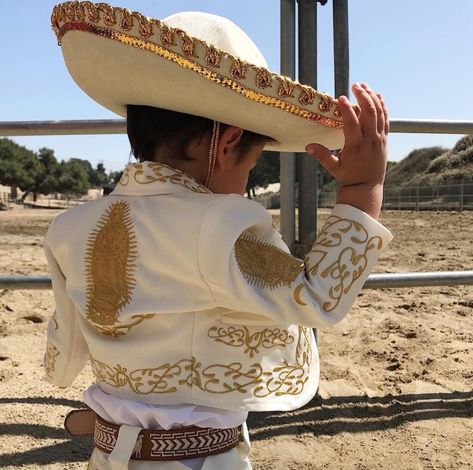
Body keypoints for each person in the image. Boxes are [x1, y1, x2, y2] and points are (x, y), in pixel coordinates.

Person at [45, 2, 393, 469]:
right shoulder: (223, 224)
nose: (245, 182)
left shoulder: (69, 228)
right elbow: (317, 297)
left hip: (109, 453)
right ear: (227, 144)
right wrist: (362, 187)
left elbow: (64, 353)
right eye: (250, 167)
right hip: (201, 458)